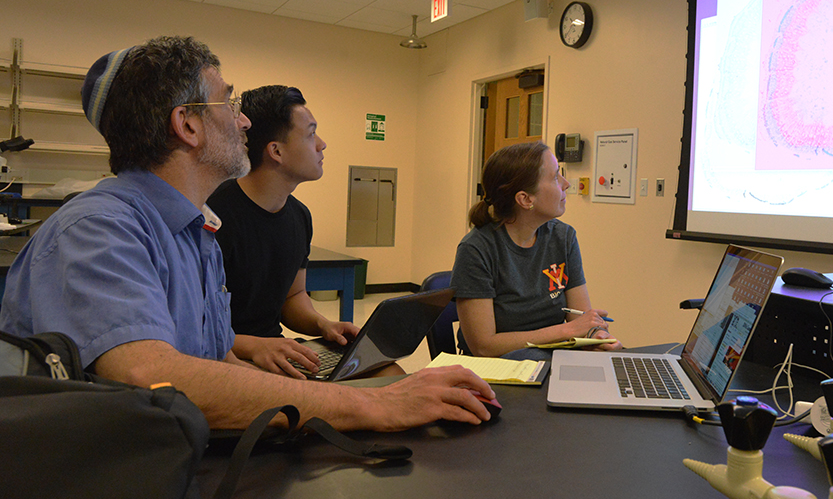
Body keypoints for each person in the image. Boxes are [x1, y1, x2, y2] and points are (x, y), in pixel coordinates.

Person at [0, 35, 495, 430]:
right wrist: (373, 408)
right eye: (227, 102)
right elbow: (148, 377)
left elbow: (219, 364)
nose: (242, 119)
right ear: (187, 126)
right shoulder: (100, 228)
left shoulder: (196, 232)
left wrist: (353, 394)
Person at [207, 85, 359, 379]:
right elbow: (195, 327)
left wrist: (322, 325)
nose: (322, 144)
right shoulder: (214, 217)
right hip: (226, 360)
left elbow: (293, 297)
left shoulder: (299, 216)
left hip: (277, 353)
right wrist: (256, 347)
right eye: (311, 134)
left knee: (386, 370)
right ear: (276, 151)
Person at [451, 141, 622, 359]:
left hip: (551, 359)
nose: (566, 183)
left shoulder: (563, 237)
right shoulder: (476, 250)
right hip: (498, 370)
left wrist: (595, 334)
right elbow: (484, 347)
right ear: (525, 199)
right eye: (554, 177)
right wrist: (567, 331)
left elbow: (579, 318)